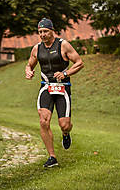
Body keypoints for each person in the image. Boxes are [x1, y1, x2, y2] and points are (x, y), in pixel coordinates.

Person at [25, 18, 83, 167]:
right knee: (43, 120)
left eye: (45, 31)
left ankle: (65, 134)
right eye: (40, 32)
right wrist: (28, 72)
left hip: (62, 87)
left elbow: (79, 62)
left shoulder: (63, 45)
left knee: (65, 124)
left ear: (52, 31)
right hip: (46, 87)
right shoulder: (37, 48)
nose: (43, 34)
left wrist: (66, 73)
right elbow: (29, 65)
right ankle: (52, 157)